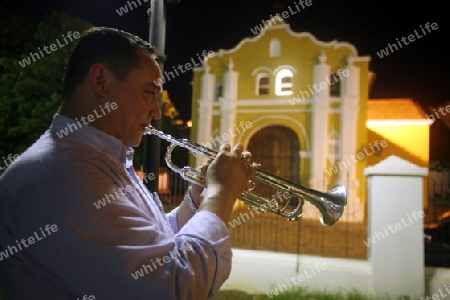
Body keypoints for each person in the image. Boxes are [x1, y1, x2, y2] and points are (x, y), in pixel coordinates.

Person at [0, 27, 259, 300]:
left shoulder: (96, 158)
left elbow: (151, 244)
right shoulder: (62, 175)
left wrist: (198, 198)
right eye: (149, 93)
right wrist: (220, 195)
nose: (157, 111)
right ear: (101, 80)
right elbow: (176, 286)